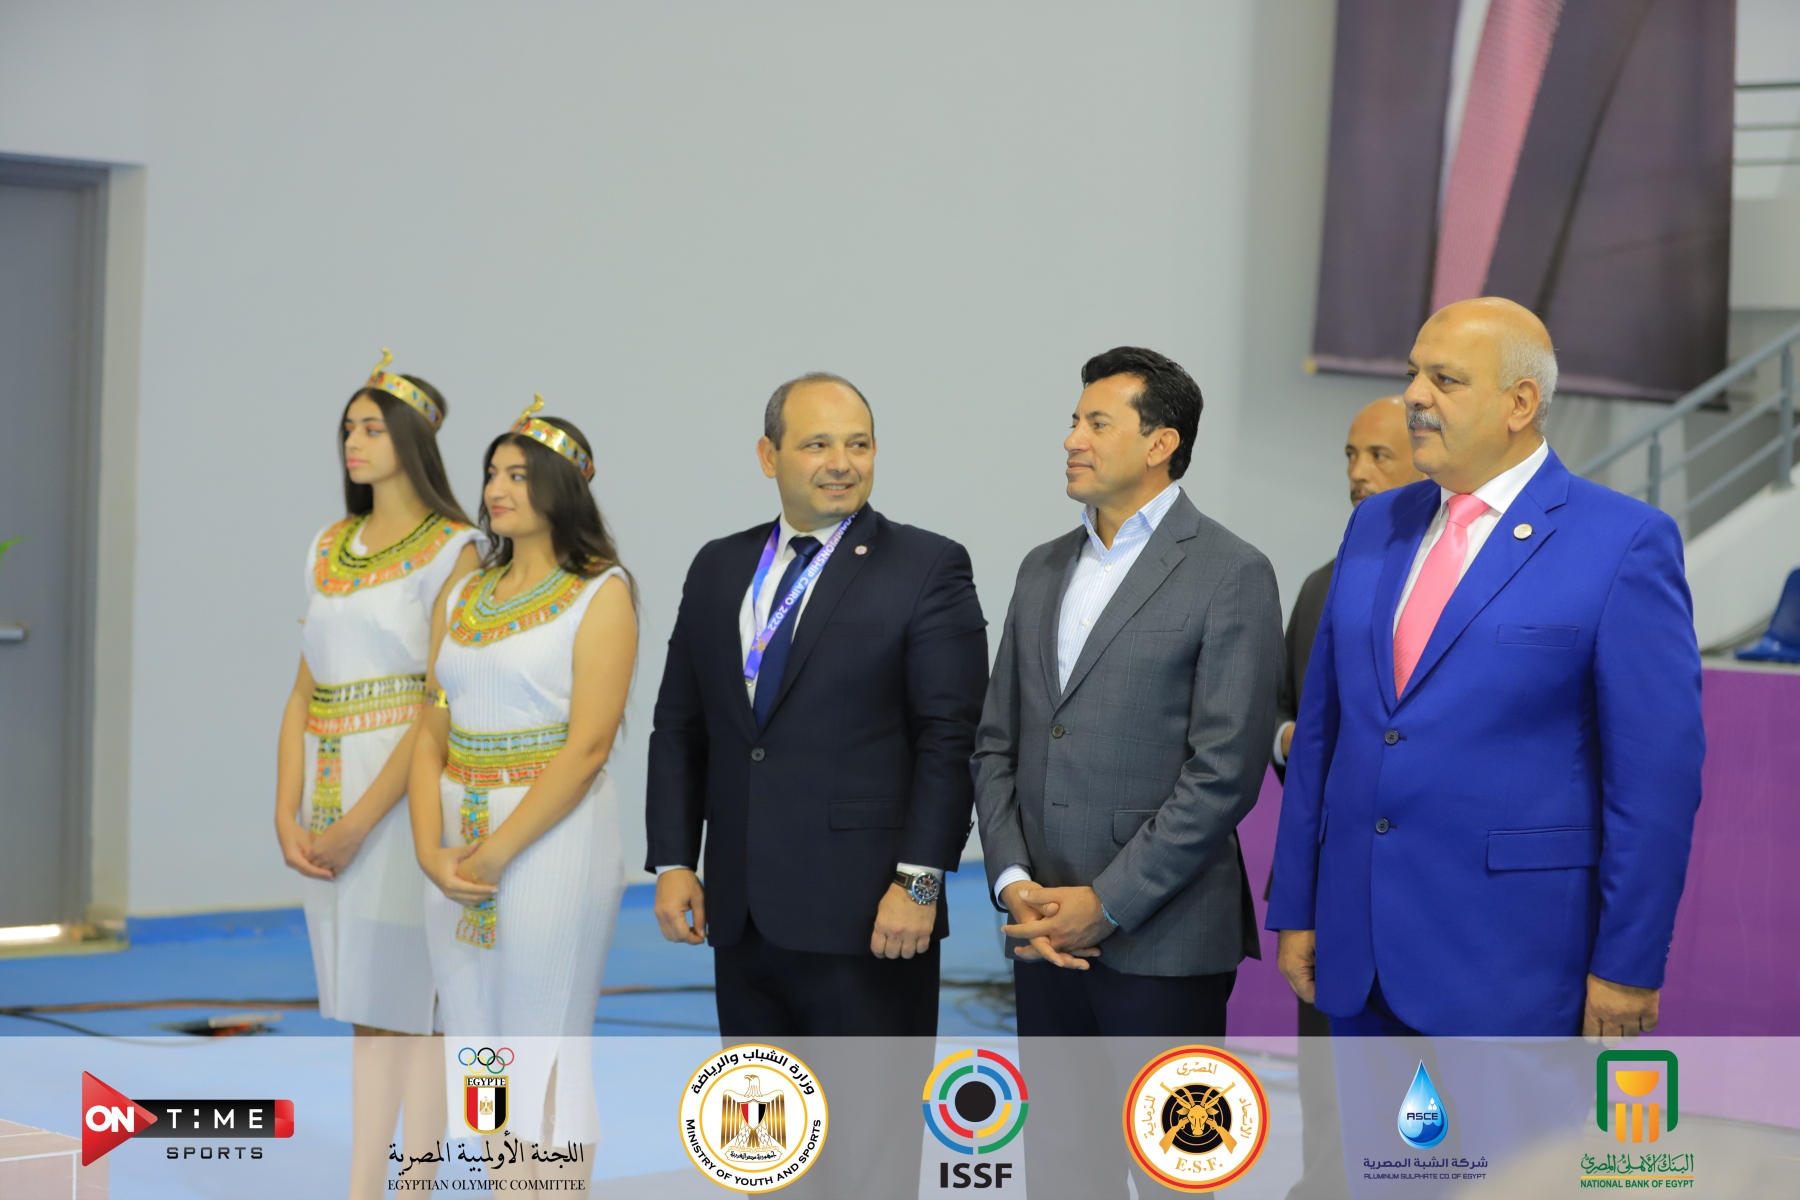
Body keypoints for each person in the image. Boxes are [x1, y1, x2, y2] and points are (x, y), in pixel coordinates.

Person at [1268, 297, 1705, 1038]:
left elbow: (1655, 784)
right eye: (1414, 373)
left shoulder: (1624, 542)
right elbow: (1321, 736)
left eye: (1444, 379)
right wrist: (1299, 906)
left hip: (1514, 972)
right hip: (1356, 959)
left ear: (1520, 404)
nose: (1414, 396)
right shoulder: (1374, 525)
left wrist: (1628, 964)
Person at [645, 372, 988, 1035]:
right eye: (817, 445)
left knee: (869, 1105)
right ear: (768, 455)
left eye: (859, 444)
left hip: (870, 916)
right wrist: (675, 860)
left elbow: (951, 739)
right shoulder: (718, 566)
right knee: (761, 1104)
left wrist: (919, 883)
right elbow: (680, 727)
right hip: (740, 917)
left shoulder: (926, 566)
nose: (841, 463)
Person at [973, 345, 1282, 1035]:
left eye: (1097, 424)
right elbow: (996, 744)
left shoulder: (1232, 571)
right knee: (1058, 1112)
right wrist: (1013, 881)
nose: (1072, 440)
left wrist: (1107, 902)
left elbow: (1225, 773)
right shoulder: (1041, 567)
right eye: (1074, 421)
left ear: (1159, 444)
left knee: (1161, 1114)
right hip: (1040, 930)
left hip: (1163, 941)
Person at [412, 397, 636, 1180]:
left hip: (551, 840)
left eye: (519, 474)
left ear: (562, 487)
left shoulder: (601, 591)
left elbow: (588, 748)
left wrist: (494, 853)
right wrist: (430, 851)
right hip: (456, 843)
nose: (497, 488)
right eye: (492, 473)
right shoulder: (463, 594)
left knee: (544, 1045)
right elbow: (431, 728)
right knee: (477, 1044)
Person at [275, 352, 479, 1198]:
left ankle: (411, 1183)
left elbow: (438, 703)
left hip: (404, 796)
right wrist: (286, 812)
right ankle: (369, 1180)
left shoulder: (455, 550)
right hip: (329, 790)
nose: (352, 442)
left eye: (371, 428)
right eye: (347, 429)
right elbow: (304, 688)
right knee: (366, 1002)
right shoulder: (330, 546)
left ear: (412, 441)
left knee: (413, 1004)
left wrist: (361, 821)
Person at [1270, 394, 1421, 1200]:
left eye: (1379, 456)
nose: (1358, 474)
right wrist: (1289, 741)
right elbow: (1278, 713)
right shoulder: (1323, 586)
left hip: (1434, 902)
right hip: (1331, 899)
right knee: (1330, 1102)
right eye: (1350, 457)